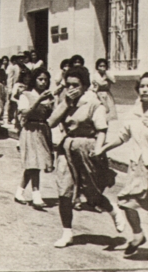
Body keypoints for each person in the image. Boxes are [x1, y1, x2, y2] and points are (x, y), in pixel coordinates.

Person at [47, 66, 125, 248]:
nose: (71, 88)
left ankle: (113, 211)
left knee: (91, 193)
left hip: (87, 148)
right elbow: (51, 122)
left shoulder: (93, 103)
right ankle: (67, 232)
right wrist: (66, 102)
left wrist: (99, 148)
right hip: (67, 148)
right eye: (68, 85)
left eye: (75, 85)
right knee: (64, 191)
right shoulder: (67, 102)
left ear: (84, 85)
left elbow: (102, 130)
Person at [95, 73, 148, 256]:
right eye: (142, 86)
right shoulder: (134, 112)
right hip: (137, 166)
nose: (145, 90)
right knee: (126, 202)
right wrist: (103, 148)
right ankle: (138, 235)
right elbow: (122, 137)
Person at [14, 68, 55, 209]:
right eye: (40, 79)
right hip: (30, 130)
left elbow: (50, 115)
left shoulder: (48, 96)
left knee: (33, 164)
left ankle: (19, 192)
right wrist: (39, 100)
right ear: (34, 80)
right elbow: (25, 113)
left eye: (46, 79)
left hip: (43, 130)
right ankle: (36, 196)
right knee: (34, 164)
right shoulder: (26, 95)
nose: (43, 82)